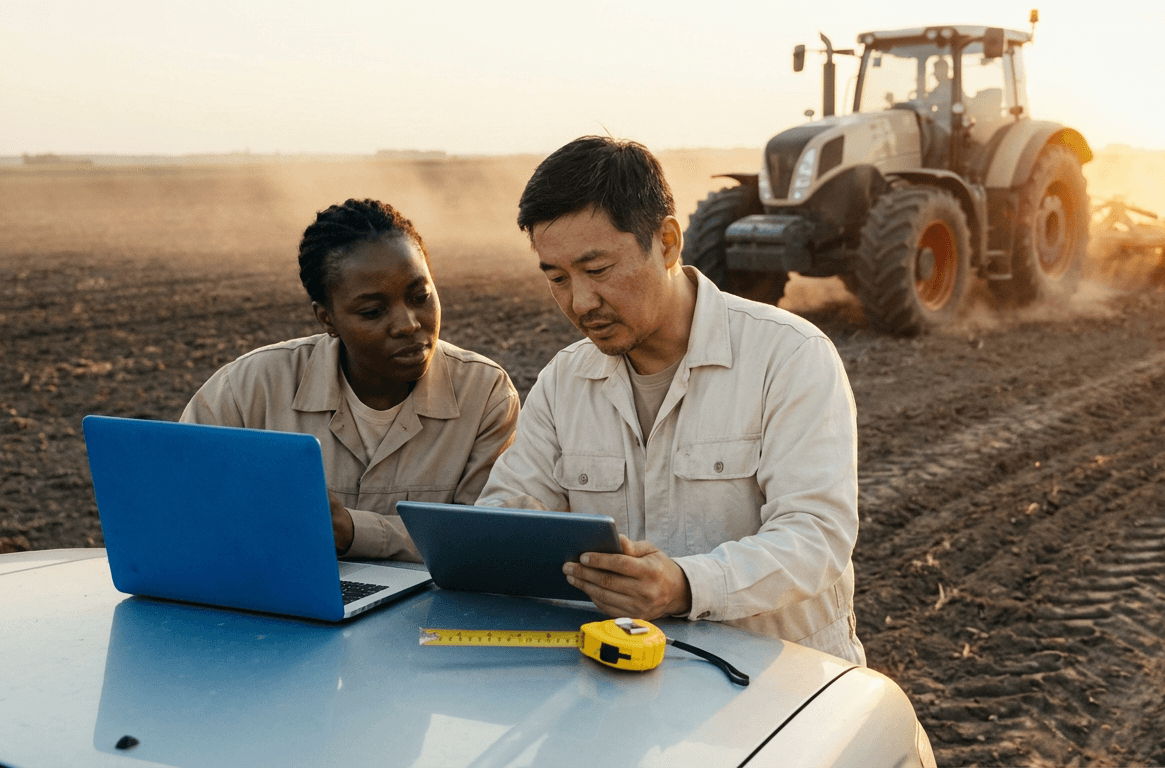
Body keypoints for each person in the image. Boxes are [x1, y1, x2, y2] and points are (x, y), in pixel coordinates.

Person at [479, 137, 865, 665]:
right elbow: (509, 515)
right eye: (557, 278)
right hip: (627, 682)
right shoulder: (563, 381)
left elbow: (816, 538)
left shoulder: (790, 356)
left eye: (597, 271)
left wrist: (685, 584)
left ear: (667, 242)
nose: (580, 302)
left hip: (783, 687)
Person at [182, 199, 520, 562]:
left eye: (421, 296)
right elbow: (179, 504)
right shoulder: (247, 390)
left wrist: (352, 531)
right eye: (372, 312)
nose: (408, 324)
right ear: (327, 319)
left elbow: (485, 541)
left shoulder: (485, 395)